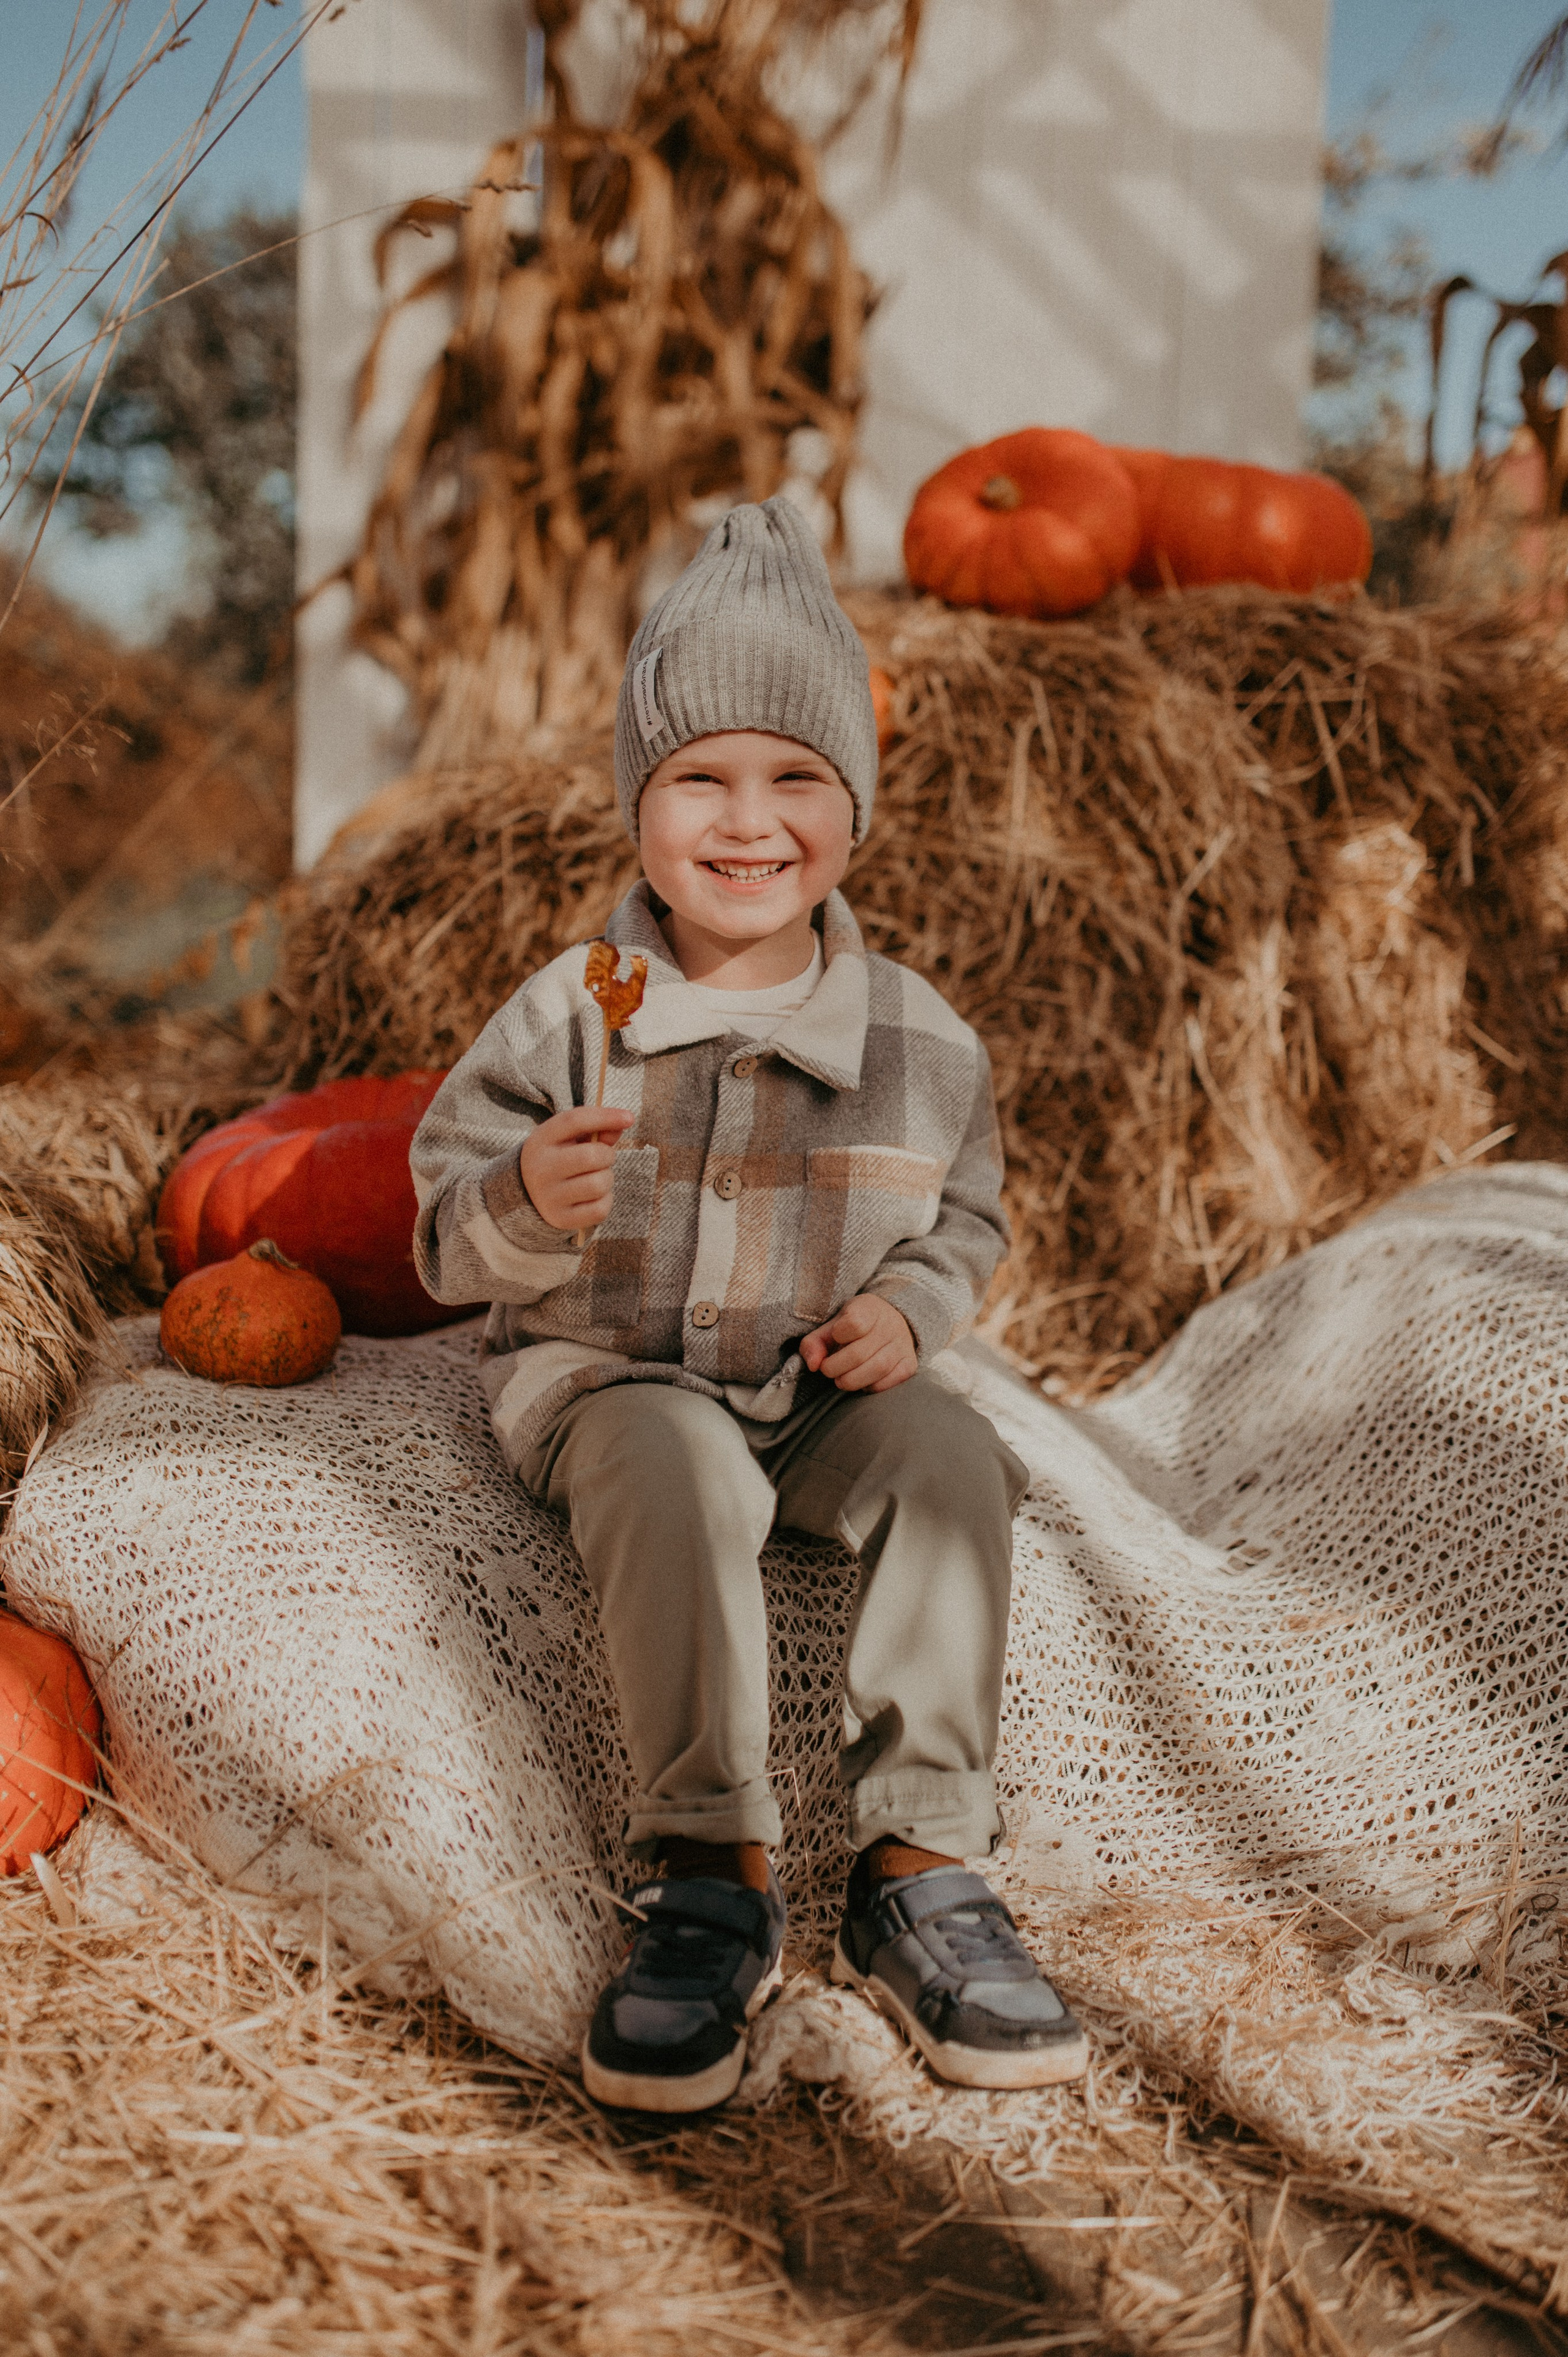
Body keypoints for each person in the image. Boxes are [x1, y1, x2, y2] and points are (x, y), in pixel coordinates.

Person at [410, 497, 1088, 2112]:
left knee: (949, 1459)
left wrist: (912, 1320)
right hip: (618, 1375)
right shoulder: (580, 1007)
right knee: (675, 1460)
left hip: (820, 1391)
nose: (748, 818)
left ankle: (921, 1860)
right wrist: (521, 1206)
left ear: (853, 804)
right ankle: (706, 1870)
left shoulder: (922, 1039)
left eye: (796, 777)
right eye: (698, 776)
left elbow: (965, 1221)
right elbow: (444, 1239)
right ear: (637, 803)